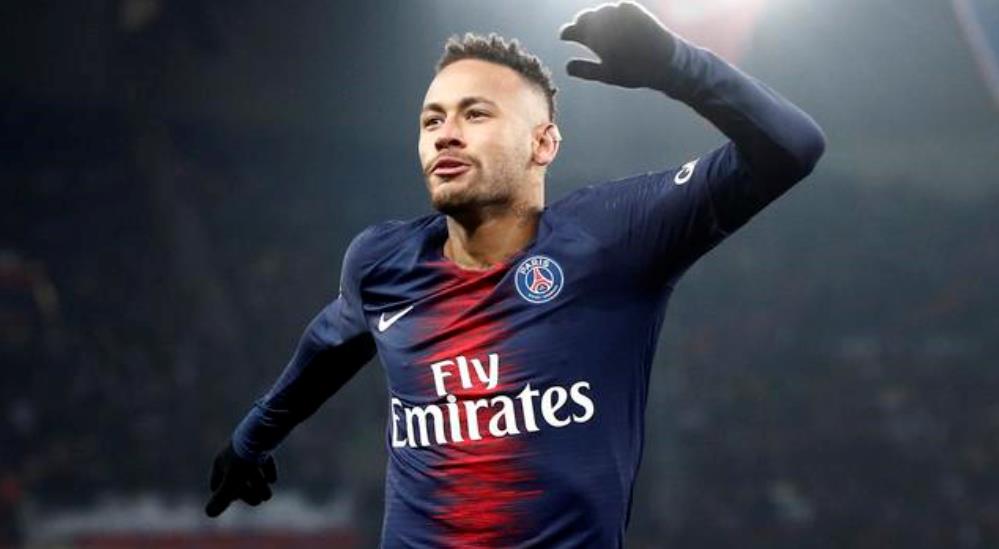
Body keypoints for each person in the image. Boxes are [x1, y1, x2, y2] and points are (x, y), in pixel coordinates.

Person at [205, 2, 826, 546]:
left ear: (543, 143)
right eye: (431, 120)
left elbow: (792, 147)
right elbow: (328, 347)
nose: (445, 135)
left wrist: (676, 65)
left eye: (475, 114)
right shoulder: (381, 263)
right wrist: (249, 441)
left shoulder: (613, 238)